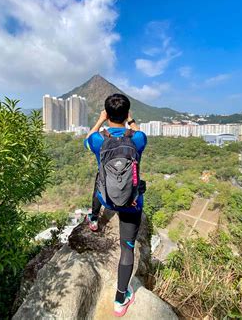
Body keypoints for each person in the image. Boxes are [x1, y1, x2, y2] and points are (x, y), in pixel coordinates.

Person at [83, 93, 147, 317]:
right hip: (131, 203)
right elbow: (139, 133)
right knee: (126, 249)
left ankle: (93, 217)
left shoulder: (98, 140)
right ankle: (120, 299)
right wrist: (131, 120)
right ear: (127, 114)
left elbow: (87, 138)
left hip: (107, 199)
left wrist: (100, 121)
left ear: (107, 114)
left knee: (98, 177)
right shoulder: (137, 139)